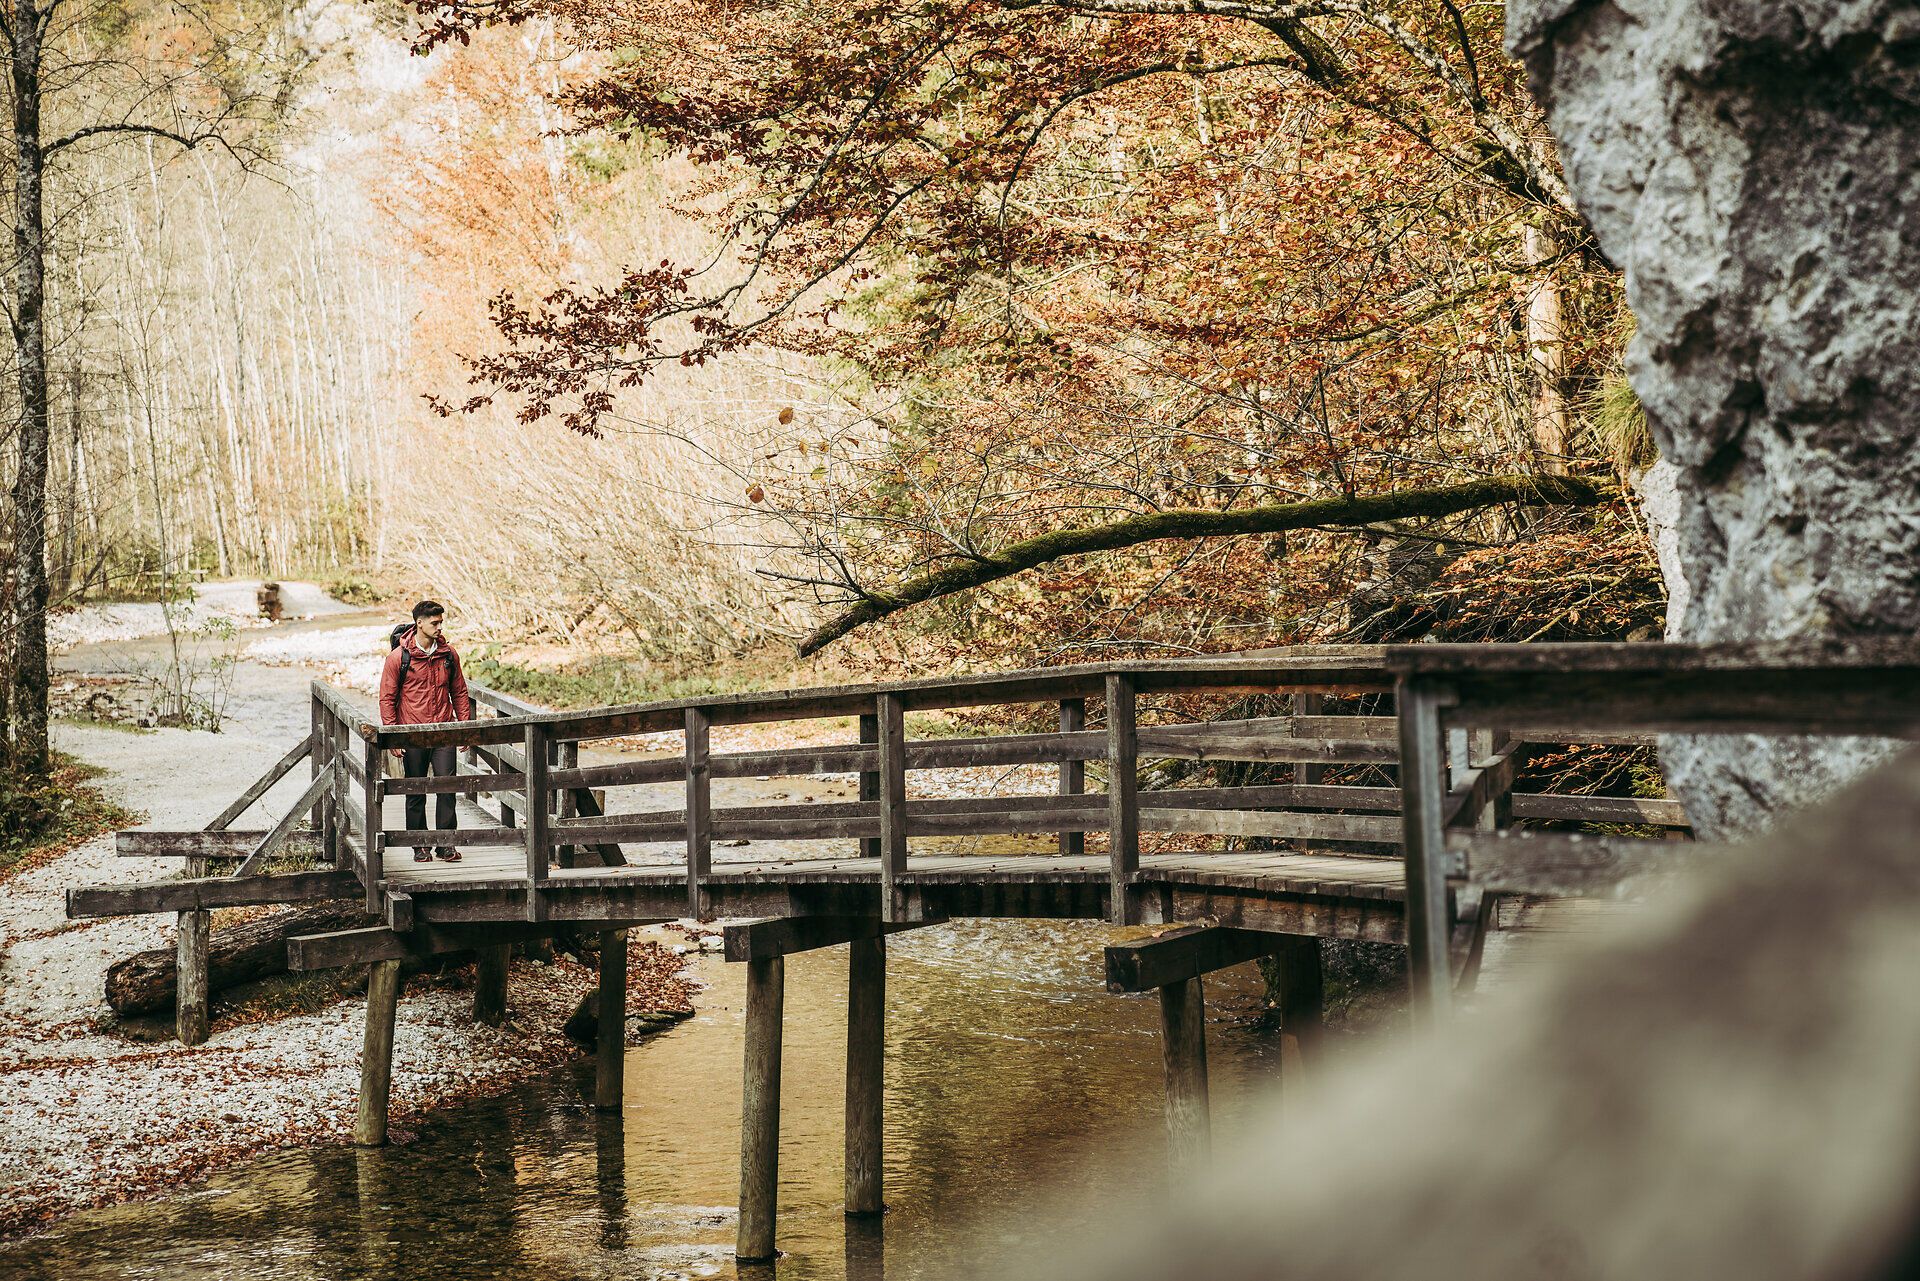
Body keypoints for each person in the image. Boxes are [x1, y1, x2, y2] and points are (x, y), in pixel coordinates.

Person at [377, 599, 474, 862]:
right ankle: (419, 845)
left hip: (444, 732)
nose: (439, 626)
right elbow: (387, 697)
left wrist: (464, 727)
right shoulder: (399, 657)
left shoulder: (449, 654)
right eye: (435, 622)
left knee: (447, 788)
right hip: (412, 734)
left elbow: (460, 692)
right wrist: (393, 735)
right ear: (419, 623)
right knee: (415, 790)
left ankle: (446, 844)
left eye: (441, 622)